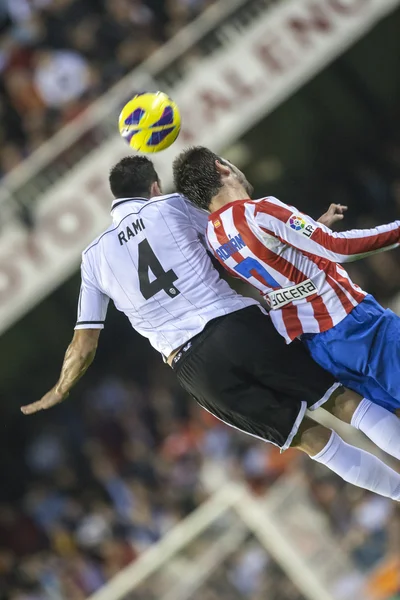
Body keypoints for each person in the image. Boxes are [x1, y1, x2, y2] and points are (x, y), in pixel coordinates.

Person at [21, 156, 400, 501]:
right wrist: (309, 235)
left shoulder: (92, 260)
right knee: (341, 401)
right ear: (154, 187)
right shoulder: (170, 207)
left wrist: (59, 389)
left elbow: (84, 342)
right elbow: (245, 239)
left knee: (310, 441)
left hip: (193, 366)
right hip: (238, 325)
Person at [173, 146, 400, 456]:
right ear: (222, 168)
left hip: (319, 347)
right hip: (354, 323)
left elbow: (274, 267)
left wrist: (314, 229)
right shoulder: (259, 211)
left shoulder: (215, 239)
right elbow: (340, 248)